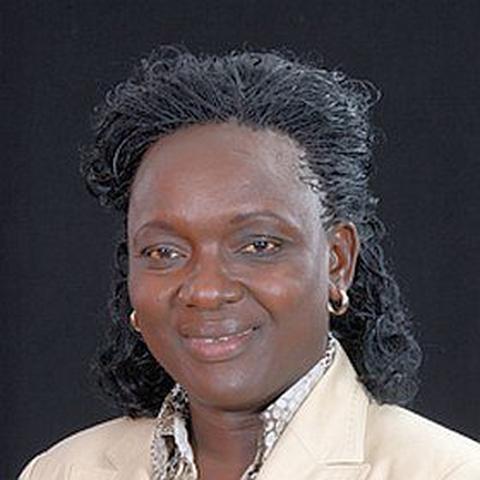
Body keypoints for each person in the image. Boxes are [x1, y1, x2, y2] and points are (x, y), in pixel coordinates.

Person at [19, 46, 479, 480]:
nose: (206, 291)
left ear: (337, 262)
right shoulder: (63, 471)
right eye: (164, 252)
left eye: (259, 245)